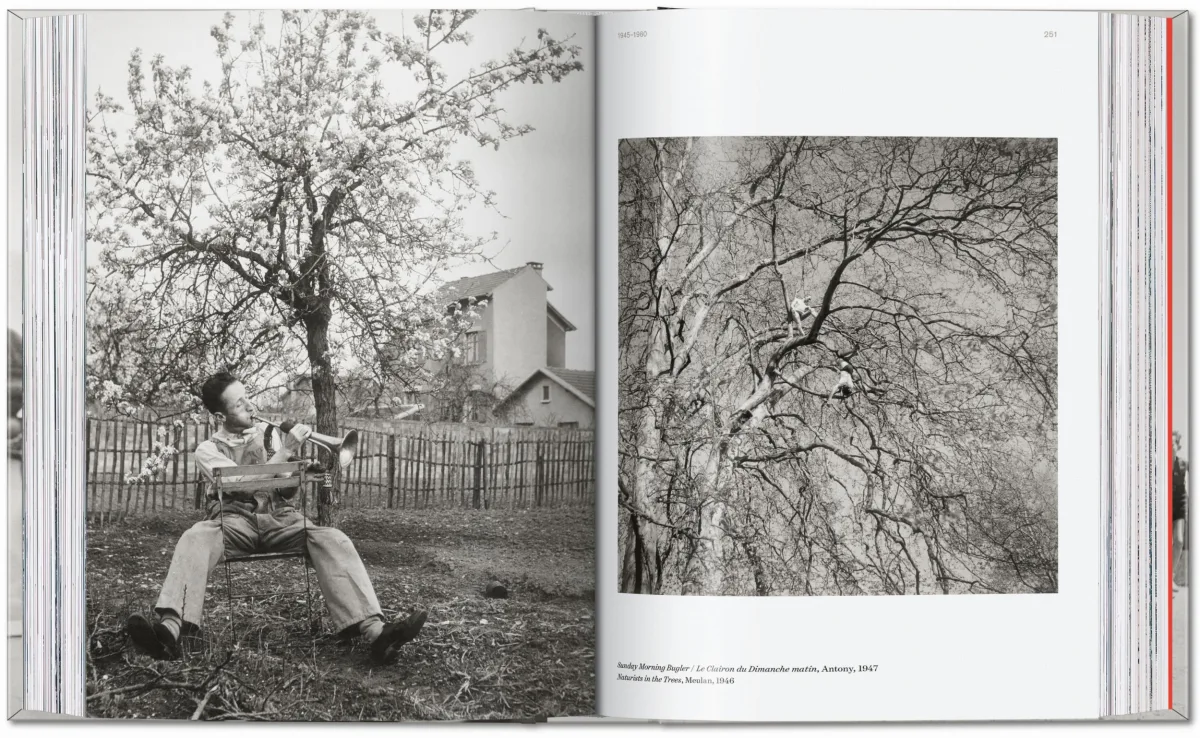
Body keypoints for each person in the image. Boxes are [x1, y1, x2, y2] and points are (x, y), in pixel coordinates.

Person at [126, 371, 427, 663]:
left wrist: (299, 472)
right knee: (194, 537)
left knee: (334, 538)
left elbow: (283, 493)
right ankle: (168, 633)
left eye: (248, 398)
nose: (250, 406)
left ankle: (378, 634)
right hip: (232, 523)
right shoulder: (207, 450)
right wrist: (287, 451)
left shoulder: (268, 438)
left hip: (281, 521)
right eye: (239, 403)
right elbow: (241, 483)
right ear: (220, 417)